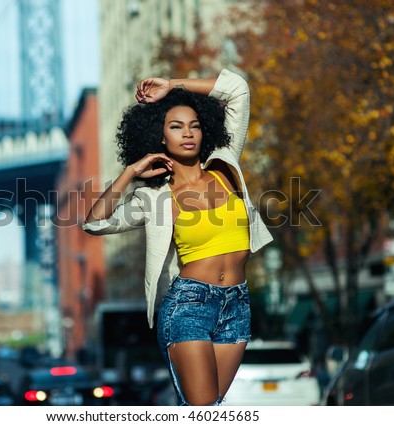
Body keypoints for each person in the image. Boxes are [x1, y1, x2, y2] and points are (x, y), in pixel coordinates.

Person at [82, 68, 273, 405]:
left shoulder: (226, 164)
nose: (188, 133)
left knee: (207, 408)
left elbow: (237, 89)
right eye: (176, 126)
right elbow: (95, 223)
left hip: (238, 303)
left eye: (194, 125)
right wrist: (130, 173)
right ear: (160, 137)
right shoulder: (155, 197)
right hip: (188, 305)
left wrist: (171, 86)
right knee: (202, 409)